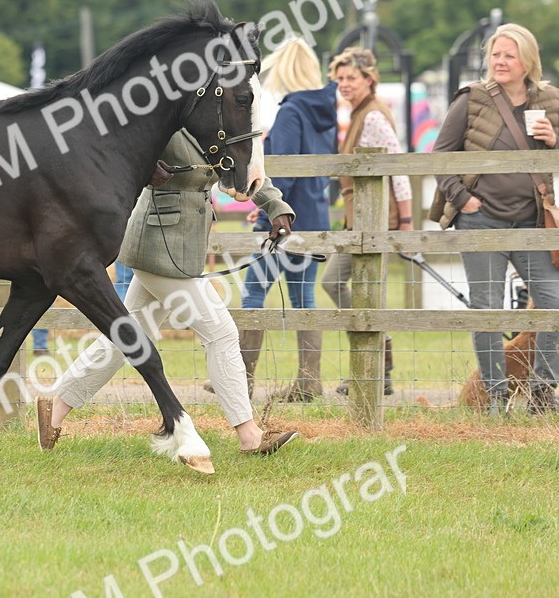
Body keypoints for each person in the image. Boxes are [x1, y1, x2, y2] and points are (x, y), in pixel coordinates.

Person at [36, 130, 299, 459]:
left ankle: (54, 407)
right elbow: (120, 152)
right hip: (158, 248)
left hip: (184, 247)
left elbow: (242, 161)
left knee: (125, 337)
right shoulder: (169, 118)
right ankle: (249, 435)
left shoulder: (217, 118)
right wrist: (147, 169)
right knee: (220, 331)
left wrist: (276, 207)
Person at [428, 24, 559, 415]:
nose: (500, 61)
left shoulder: (550, 100)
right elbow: (440, 156)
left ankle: (542, 394)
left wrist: (554, 142)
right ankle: (497, 397)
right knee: (488, 309)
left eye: (508, 55)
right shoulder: (472, 99)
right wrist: (463, 201)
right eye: (495, 54)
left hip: (533, 223)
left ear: (527, 61)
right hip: (482, 223)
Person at [236, 39, 337, 402]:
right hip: (315, 215)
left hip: (286, 220)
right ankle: (309, 383)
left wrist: (269, 206)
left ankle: (239, 383)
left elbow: (286, 170)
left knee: (252, 294)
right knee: (304, 298)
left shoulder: (293, 111)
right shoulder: (325, 112)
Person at [322, 48, 412, 397]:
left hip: (376, 220)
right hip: (358, 220)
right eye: (340, 78)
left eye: (351, 78)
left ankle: (375, 367)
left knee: (349, 288)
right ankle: (379, 365)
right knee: (350, 289)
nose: (344, 84)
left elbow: (396, 167)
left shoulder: (372, 116)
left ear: (369, 79)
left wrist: (404, 219)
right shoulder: (359, 113)